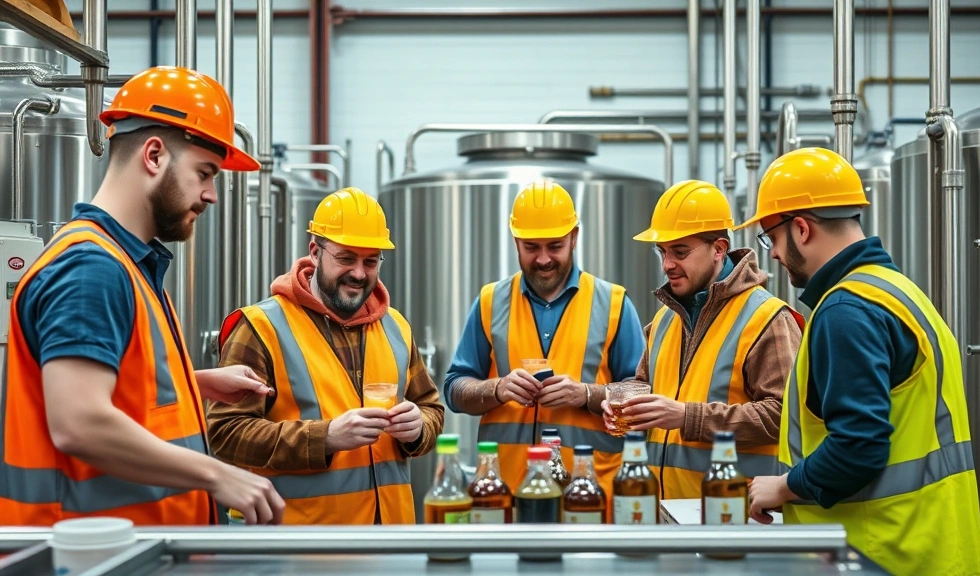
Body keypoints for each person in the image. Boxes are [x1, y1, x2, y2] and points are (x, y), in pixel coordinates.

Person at [0, 66, 285, 526]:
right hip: (88, 549)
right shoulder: (91, 269)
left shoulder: (127, 263)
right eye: (204, 173)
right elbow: (80, 423)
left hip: (128, 546)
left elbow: (109, 386)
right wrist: (217, 475)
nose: (211, 195)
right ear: (154, 155)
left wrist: (194, 383)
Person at [740, 148, 980, 575]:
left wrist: (783, 486)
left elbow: (859, 446)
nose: (773, 254)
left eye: (771, 238)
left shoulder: (846, 311)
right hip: (934, 546)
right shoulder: (898, 291)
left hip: (880, 552)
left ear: (801, 228)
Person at [207, 187, 444, 525]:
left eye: (370, 261)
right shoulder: (261, 327)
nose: (359, 273)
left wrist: (419, 427)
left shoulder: (396, 327)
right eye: (346, 258)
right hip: (299, 543)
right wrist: (326, 437)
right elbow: (224, 434)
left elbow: (431, 408)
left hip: (390, 539)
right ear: (315, 252)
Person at [601, 180, 802, 500]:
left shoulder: (767, 318)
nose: (667, 265)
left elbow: (783, 416)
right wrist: (626, 406)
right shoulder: (665, 320)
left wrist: (687, 417)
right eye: (662, 252)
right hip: (663, 510)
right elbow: (644, 387)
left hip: (734, 511)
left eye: (680, 252)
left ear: (719, 249)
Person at [444, 179, 646, 495]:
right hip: (504, 493)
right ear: (516, 242)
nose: (543, 259)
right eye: (531, 247)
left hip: (589, 494)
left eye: (554, 246)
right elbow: (454, 389)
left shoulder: (613, 303)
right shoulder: (490, 302)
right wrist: (497, 388)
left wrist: (586, 394)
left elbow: (642, 396)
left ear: (574, 237)